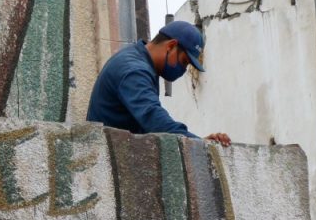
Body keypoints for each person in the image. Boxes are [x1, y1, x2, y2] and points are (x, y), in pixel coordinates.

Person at [87, 20, 230, 146]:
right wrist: (199, 144)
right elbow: (154, 120)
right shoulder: (134, 70)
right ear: (171, 46)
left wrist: (197, 141)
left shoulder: (141, 62)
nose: (183, 69)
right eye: (184, 61)